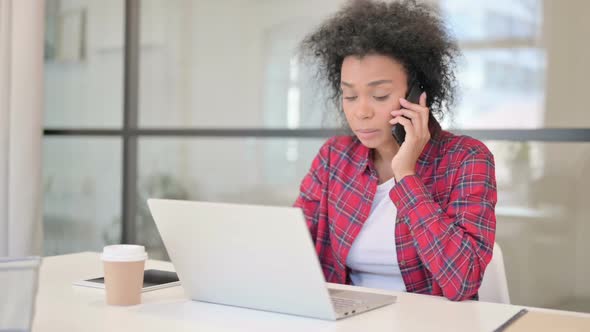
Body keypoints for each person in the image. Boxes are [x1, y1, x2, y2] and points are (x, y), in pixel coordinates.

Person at [294, 0, 497, 301]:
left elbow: (464, 280)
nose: (361, 112)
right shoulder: (334, 158)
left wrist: (406, 175)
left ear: (418, 93)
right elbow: (291, 247)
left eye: (380, 95)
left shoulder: (467, 159)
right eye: (349, 95)